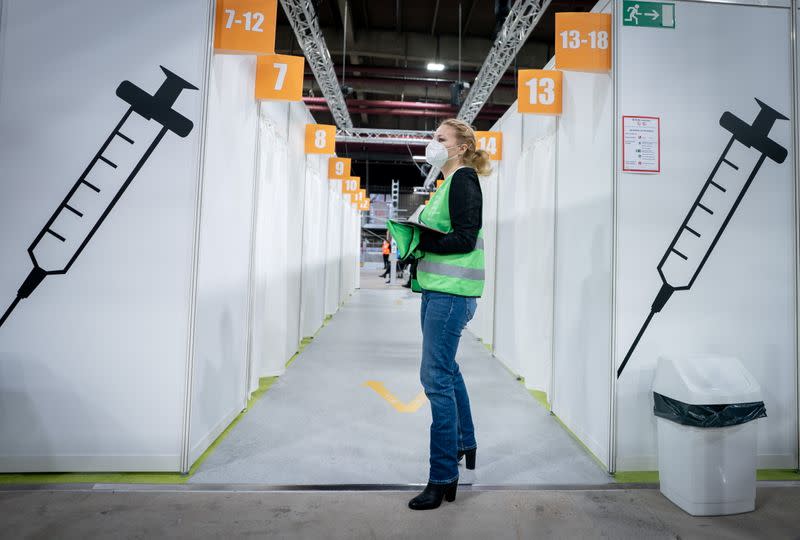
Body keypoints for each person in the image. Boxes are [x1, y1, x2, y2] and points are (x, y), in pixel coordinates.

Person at [405, 118, 490, 510]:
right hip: (439, 292)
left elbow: (463, 237)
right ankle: (464, 443)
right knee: (447, 370)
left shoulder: (464, 181)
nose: (432, 144)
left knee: (435, 377)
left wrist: (421, 238)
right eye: (433, 137)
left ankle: (442, 477)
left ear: (459, 148)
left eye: (440, 138)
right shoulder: (447, 183)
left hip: (450, 297)